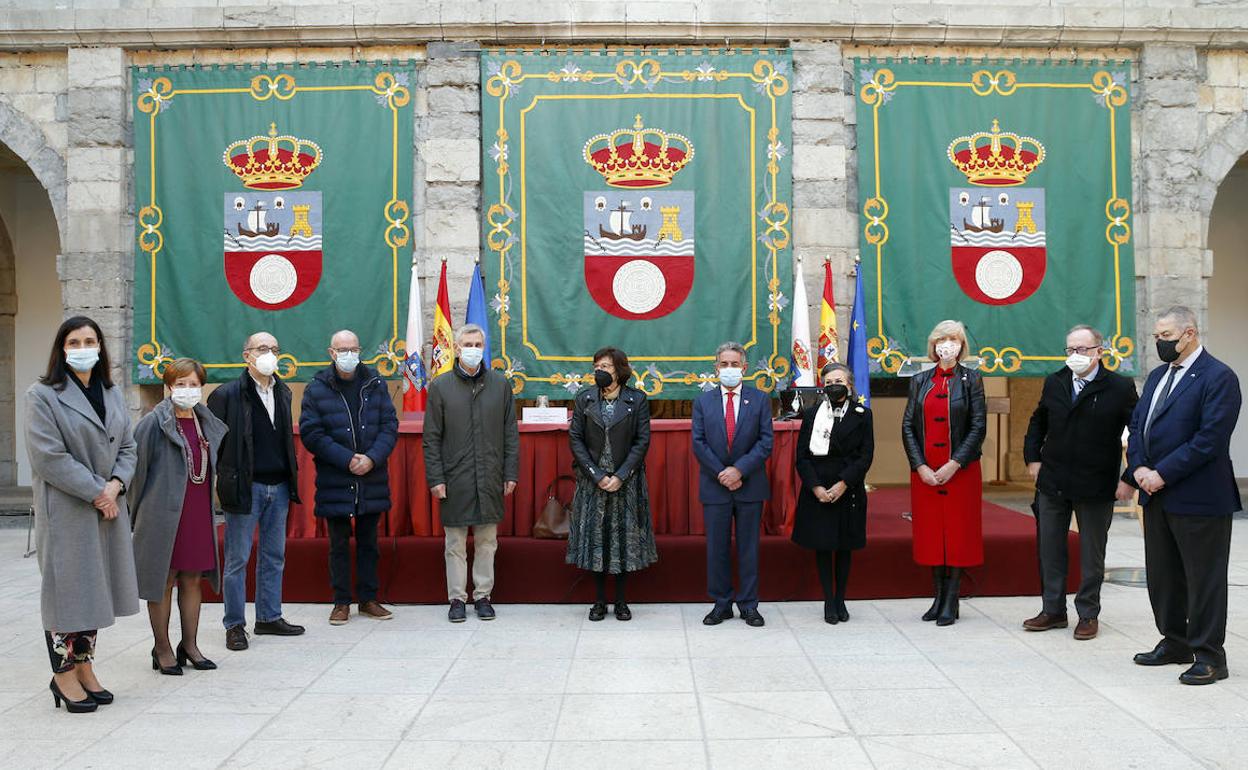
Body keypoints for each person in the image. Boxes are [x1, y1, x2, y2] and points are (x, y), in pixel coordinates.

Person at [25, 316, 139, 712]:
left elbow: (128, 447)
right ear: (62, 348)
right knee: (65, 592)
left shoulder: (112, 393)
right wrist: (96, 492)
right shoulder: (42, 395)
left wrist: (115, 486)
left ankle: (85, 666)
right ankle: (62, 675)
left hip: (106, 508)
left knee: (93, 587)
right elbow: (48, 457)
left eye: (90, 340)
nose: (83, 346)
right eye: (74, 341)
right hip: (68, 511)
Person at [1125, 306, 1242, 685]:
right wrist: (1139, 468)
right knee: (1164, 575)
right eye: (1157, 336)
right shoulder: (1159, 375)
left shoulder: (1218, 377)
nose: (1159, 343)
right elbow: (1138, 423)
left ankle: (1210, 655)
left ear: (1188, 333)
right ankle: (1174, 641)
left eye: (1165, 336)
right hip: (1155, 493)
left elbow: (1209, 439)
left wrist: (1162, 473)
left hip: (1199, 496)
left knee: (1203, 578)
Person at [1022, 325, 1138, 640]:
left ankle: (1088, 613)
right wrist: (1032, 458)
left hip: (1095, 482)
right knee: (1050, 548)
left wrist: (1130, 477)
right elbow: (1038, 421)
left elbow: (1139, 432)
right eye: (1070, 350)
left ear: (1099, 351)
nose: (1075, 356)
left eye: (1082, 350)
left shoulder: (1118, 386)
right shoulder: (1056, 381)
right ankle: (1053, 610)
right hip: (1054, 480)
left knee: (1091, 552)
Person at [206, 332, 304, 651]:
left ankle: (268, 617)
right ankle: (234, 624)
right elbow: (214, 445)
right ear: (247, 354)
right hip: (245, 487)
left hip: (279, 485)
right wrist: (228, 478)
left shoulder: (284, 391)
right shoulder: (226, 395)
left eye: (275, 349)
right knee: (237, 559)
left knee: (274, 556)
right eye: (263, 348)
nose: (270, 354)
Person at [131, 358, 228, 674]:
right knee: (164, 578)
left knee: (192, 578)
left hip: (198, 511)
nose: (187, 390)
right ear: (169, 387)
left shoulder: (206, 421)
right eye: (180, 384)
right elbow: (136, 474)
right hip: (161, 515)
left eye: (193, 384)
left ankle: (191, 644)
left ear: (202, 387)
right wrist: (135, 519)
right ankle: (162, 648)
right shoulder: (152, 424)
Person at [300, 330, 400, 625]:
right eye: (342, 349)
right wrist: (347, 460)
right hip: (336, 478)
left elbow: (389, 425)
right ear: (331, 353)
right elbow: (311, 433)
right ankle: (341, 601)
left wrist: (371, 458)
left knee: (370, 543)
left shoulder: (375, 383)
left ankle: (368, 599)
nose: (348, 355)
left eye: (353, 349)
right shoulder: (316, 388)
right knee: (339, 544)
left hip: (372, 476)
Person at [424, 323, 519, 623]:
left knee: (487, 541)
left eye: (478, 344)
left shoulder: (500, 385)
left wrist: (511, 472)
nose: (473, 349)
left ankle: (483, 596)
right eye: (468, 344)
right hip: (455, 477)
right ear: (456, 346)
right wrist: (436, 478)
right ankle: (456, 599)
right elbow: (431, 438)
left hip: (490, 475)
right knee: (454, 543)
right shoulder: (440, 387)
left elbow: (510, 434)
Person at [901, 319, 986, 626]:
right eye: (941, 340)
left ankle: (952, 600)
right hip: (925, 473)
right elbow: (908, 425)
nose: (946, 345)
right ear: (933, 346)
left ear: (962, 346)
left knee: (958, 535)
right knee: (932, 535)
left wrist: (954, 463)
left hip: (960, 472)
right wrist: (920, 465)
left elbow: (978, 427)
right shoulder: (919, 381)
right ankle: (938, 597)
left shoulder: (972, 380)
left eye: (952, 340)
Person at [567, 347, 659, 621]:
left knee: (622, 541)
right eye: (597, 366)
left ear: (620, 370)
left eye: (606, 366)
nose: (600, 371)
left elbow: (642, 441)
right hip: (593, 482)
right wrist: (597, 475)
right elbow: (576, 441)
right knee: (596, 540)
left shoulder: (637, 399)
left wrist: (620, 475)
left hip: (625, 483)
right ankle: (598, 601)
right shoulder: (584, 399)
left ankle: (621, 601)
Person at [692, 341, 775, 627]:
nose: (729, 369)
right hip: (715, 486)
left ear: (744, 368)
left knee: (749, 548)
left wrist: (739, 470)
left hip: (750, 485)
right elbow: (699, 443)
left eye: (734, 364)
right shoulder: (703, 401)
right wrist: (723, 473)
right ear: (716, 368)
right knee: (717, 548)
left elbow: (766, 442)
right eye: (724, 364)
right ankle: (721, 604)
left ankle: (749, 605)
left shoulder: (760, 399)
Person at [793, 363, 874, 624]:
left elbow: (865, 456)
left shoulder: (863, 414)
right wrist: (816, 487)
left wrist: (843, 484)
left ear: (849, 384)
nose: (833, 385)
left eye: (838, 381)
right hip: (818, 489)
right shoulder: (812, 413)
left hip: (847, 489)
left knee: (844, 547)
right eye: (827, 382)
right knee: (823, 547)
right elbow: (802, 457)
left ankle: (841, 598)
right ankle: (829, 600)